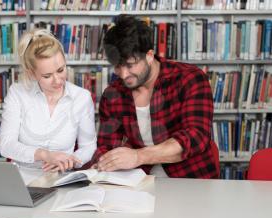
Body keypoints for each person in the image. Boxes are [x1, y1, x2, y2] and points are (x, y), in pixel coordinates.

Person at [87, 15, 218, 178]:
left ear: (149, 55)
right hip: (138, 181)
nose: (123, 74)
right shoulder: (113, 94)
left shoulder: (190, 79)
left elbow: (196, 137)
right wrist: (102, 161)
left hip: (191, 179)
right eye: (117, 67)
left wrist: (138, 156)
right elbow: (106, 145)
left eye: (129, 65)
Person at [0, 28, 97, 173]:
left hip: (62, 177)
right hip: (22, 179)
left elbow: (88, 147)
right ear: (32, 73)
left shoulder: (81, 97)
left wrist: (69, 161)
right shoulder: (17, 93)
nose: (57, 80)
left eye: (61, 70)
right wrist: (44, 155)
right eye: (47, 76)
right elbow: (6, 144)